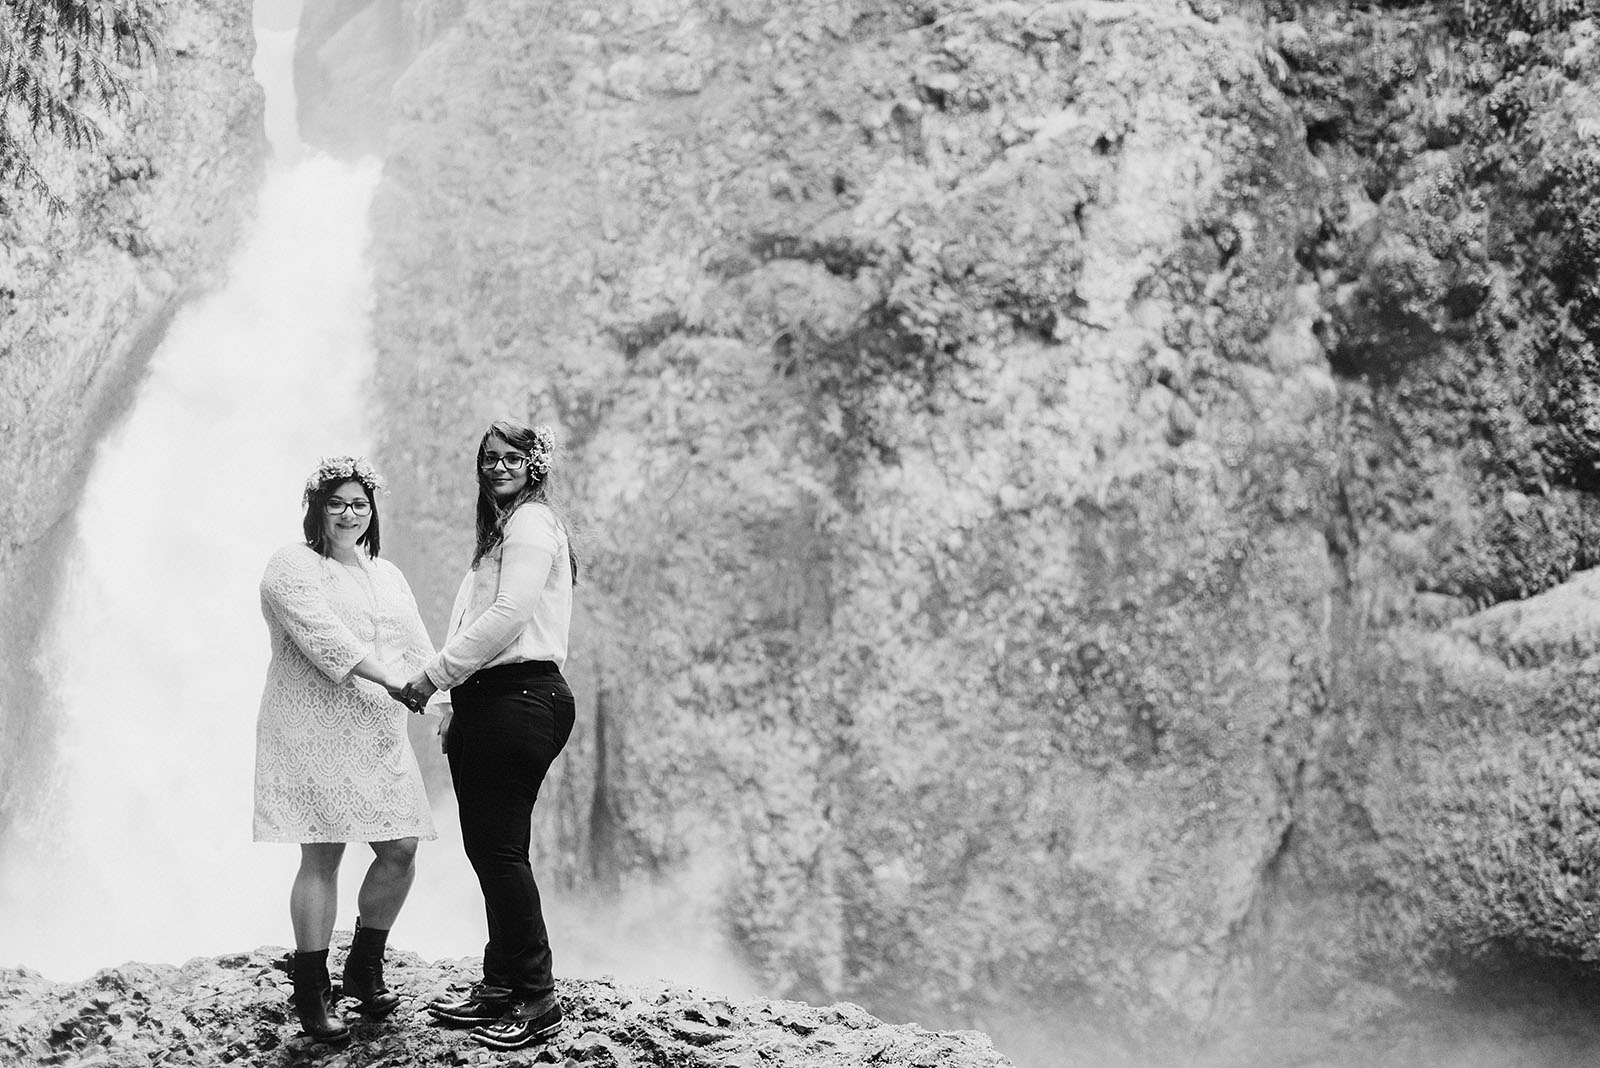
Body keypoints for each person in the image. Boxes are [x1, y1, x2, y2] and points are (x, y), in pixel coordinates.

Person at [401, 419, 578, 1052]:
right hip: (497, 701)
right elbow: (476, 614)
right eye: (488, 459)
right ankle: (501, 985)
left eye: (511, 457)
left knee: (499, 852)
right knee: (491, 848)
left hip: (520, 696)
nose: (497, 466)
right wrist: (453, 697)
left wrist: (432, 677)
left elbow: (509, 615)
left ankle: (536, 997)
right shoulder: (507, 529)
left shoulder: (531, 523)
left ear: (536, 465)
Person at [253, 456, 437, 1043]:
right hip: (314, 727)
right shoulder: (292, 565)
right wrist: (394, 681)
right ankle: (313, 993)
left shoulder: (389, 573)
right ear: (316, 509)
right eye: (337, 503)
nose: (349, 513)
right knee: (323, 855)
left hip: (380, 730)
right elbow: (323, 637)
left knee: (401, 847)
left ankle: (362, 968)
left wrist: (442, 697)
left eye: (359, 503)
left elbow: (416, 643)